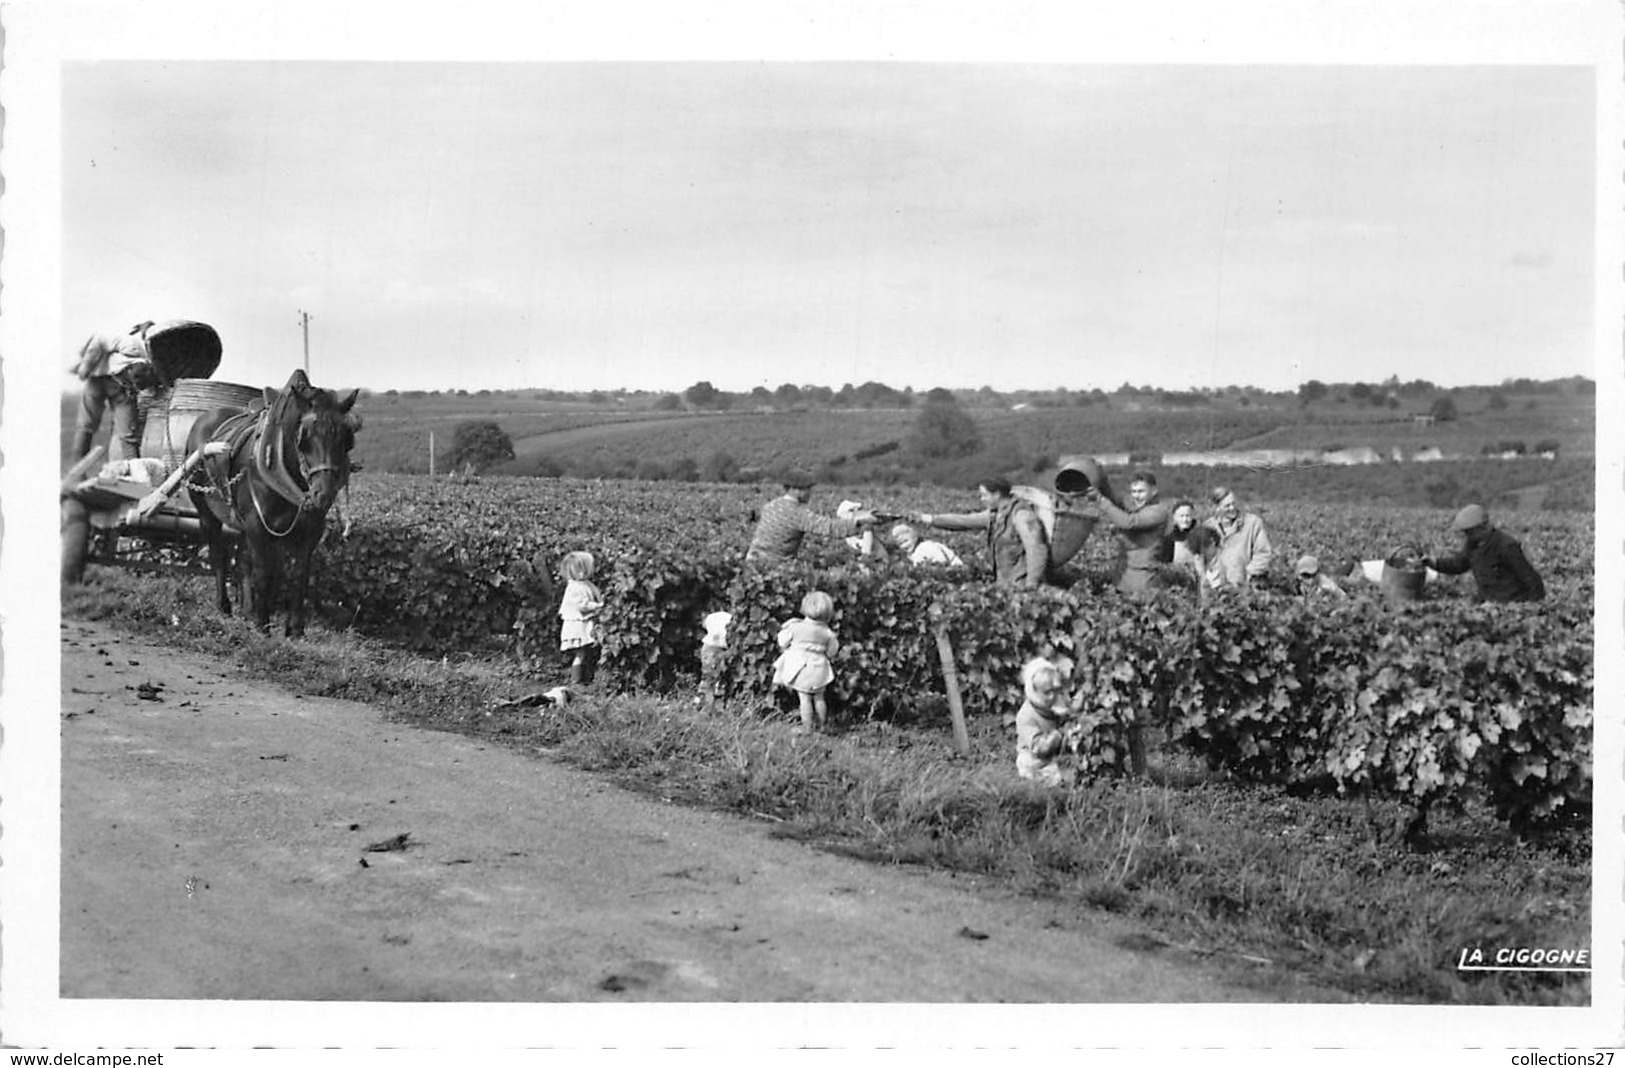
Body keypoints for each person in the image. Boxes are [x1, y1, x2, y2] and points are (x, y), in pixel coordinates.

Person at [912, 476, 1049, 587]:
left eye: (984, 495)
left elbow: (1036, 548)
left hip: (1021, 582)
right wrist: (929, 519)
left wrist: (1032, 584)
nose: (981, 499)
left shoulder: (1021, 515)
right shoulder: (995, 515)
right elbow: (963, 521)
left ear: (997, 495)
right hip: (1005, 582)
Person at [69, 323, 161, 462]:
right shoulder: (131, 345)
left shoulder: (148, 359)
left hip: (119, 386)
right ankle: (77, 473)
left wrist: (130, 387)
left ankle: (134, 474)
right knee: (86, 426)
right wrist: (85, 368)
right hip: (97, 378)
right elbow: (98, 340)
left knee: (128, 433)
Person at [1424, 504, 1546, 603]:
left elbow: (1531, 578)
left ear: (1482, 528)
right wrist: (1433, 562)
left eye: (1469, 532)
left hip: (1510, 603)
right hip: (1487, 602)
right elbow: (1459, 564)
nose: (1467, 536)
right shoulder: (1473, 544)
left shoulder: (1506, 545)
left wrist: (1533, 607)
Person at [746, 473, 875, 565]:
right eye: (807, 488)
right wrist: (859, 523)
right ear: (796, 490)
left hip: (752, 559)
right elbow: (829, 527)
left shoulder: (770, 505)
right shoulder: (797, 513)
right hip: (774, 565)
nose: (810, 492)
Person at [1086, 470, 1174, 594]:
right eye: (1133, 491)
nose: (1136, 496)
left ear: (1154, 491)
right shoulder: (1137, 508)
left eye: (1141, 492)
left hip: (1144, 581)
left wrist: (1101, 501)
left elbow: (1128, 523)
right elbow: (1117, 502)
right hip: (1122, 578)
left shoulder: (1158, 511)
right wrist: (1102, 486)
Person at [772, 590, 840, 734]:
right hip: (819, 668)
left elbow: (782, 641)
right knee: (819, 697)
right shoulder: (828, 633)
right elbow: (831, 652)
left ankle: (806, 728)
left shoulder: (796, 627)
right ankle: (822, 726)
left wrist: (785, 627)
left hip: (801, 667)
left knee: (804, 699)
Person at [1015, 657, 1074, 787]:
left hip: (1056, 755)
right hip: (1035, 761)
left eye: (1055, 690)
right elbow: (1038, 748)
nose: (1052, 696)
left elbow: (1070, 717)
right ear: (1034, 691)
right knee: (1056, 778)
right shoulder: (1026, 716)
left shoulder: (1057, 702)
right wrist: (1060, 733)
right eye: (1047, 692)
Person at [1204, 485, 1275, 589]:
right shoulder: (1208, 527)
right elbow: (1201, 557)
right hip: (1216, 587)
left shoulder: (1253, 523)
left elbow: (1263, 553)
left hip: (1245, 587)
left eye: (1233, 503)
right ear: (1217, 507)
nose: (1232, 508)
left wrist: (1249, 574)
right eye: (1227, 506)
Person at [557, 550, 604, 685]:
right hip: (577, 625)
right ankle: (576, 681)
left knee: (586, 653)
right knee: (580, 654)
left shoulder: (586, 584)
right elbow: (581, 605)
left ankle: (585, 678)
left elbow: (597, 594)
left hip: (585, 623)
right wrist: (597, 606)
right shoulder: (574, 587)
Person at [697, 610, 732, 709]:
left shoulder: (712, 617)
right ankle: (714, 706)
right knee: (719, 678)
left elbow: (705, 625)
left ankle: (701, 703)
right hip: (720, 649)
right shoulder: (729, 618)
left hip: (708, 648)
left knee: (707, 678)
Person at [889, 522, 964, 568]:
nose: (904, 546)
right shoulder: (909, 555)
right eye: (900, 544)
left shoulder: (926, 547)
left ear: (914, 538)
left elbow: (943, 562)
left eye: (906, 541)